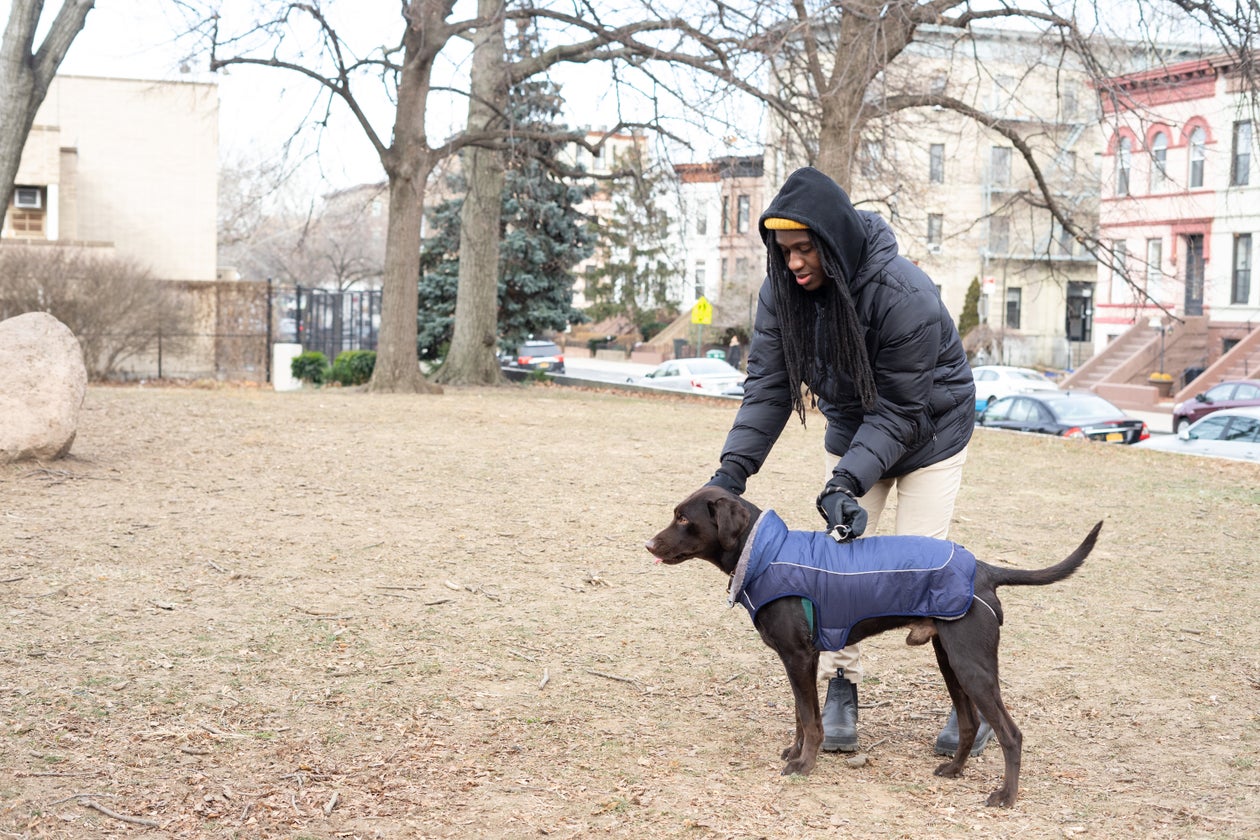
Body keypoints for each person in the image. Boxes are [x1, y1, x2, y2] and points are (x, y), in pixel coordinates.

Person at [705, 166, 988, 757]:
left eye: (805, 248)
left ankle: (974, 704)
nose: (794, 263)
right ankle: (842, 688)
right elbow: (768, 388)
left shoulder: (903, 294)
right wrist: (731, 475)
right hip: (856, 429)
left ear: (833, 239)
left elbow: (900, 410)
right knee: (833, 567)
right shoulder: (782, 294)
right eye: (784, 251)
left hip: (930, 432)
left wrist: (844, 482)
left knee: (920, 577)